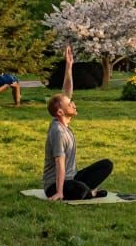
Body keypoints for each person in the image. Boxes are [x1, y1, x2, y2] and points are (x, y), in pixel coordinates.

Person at [42, 45, 113, 200]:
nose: (73, 104)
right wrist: (59, 192)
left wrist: (69, 66)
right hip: (54, 185)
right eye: (70, 104)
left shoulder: (63, 122)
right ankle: (89, 193)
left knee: (106, 165)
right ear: (60, 112)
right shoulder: (58, 132)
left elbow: (66, 92)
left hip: (72, 177)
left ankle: (87, 191)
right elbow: (59, 163)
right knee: (79, 189)